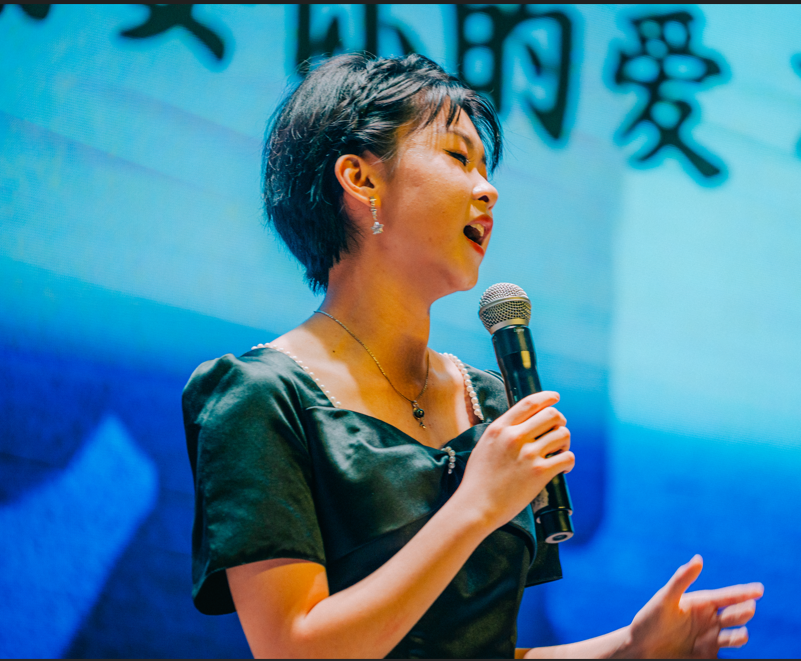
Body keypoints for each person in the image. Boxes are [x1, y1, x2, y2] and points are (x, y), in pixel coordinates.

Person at [182, 53, 763, 659]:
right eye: (459, 159)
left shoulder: (489, 401)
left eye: (487, 168)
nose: (488, 190)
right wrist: (475, 505)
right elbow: (292, 649)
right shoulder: (258, 396)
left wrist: (629, 649)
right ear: (361, 180)